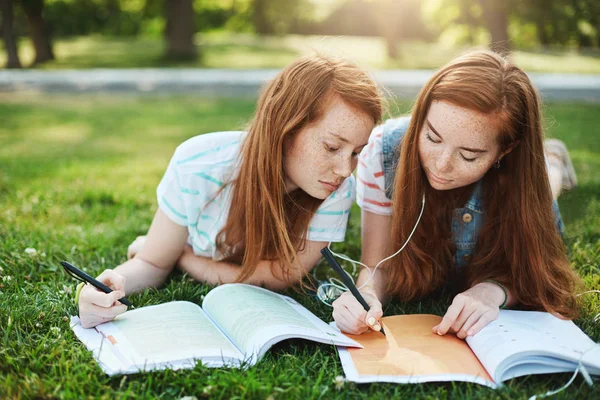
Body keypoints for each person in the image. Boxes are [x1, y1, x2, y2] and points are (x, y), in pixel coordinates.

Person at [78, 54, 383, 328]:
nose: (345, 169)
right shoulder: (196, 166)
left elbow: (281, 276)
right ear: (285, 128)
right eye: (331, 147)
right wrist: (107, 287)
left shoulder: (337, 188)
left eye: (357, 152)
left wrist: (184, 258)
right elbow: (152, 263)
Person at [332, 50, 582, 338]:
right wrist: (366, 295)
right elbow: (377, 266)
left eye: (468, 155)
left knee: (548, 182)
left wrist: (492, 292)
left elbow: (538, 273)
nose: (440, 165)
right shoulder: (383, 152)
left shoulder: (520, 171)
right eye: (432, 137)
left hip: (530, 176)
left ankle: (553, 160)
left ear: (506, 150)